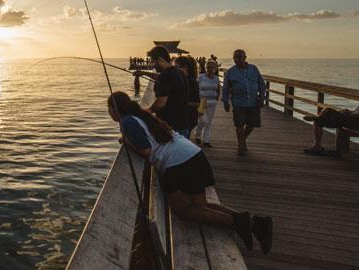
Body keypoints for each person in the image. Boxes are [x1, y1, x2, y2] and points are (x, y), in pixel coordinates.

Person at [108, 91, 273, 254]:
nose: (109, 112)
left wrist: (126, 141)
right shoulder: (141, 115)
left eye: (109, 108)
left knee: (184, 211)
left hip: (179, 164)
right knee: (201, 206)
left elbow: (146, 151)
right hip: (193, 155)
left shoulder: (128, 122)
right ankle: (254, 225)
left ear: (114, 109)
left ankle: (240, 223)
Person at [303, 76, 359, 155]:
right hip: (354, 119)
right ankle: (317, 145)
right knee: (321, 118)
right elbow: (358, 112)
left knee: (328, 111)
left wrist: (353, 114)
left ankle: (317, 119)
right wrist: (350, 112)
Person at [222, 49, 265, 156]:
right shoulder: (230, 72)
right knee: (239, 125)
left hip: (253, 101)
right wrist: (225, 101)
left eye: (239, 57)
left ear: (245, 57)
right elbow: (226, 88)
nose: (237, 60)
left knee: (252, 124)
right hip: (238, 103)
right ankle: (240, 146)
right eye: (235, 57)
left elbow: (261, 83)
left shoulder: (253, 69)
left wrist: (262, 97)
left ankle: (242, 140)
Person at [146, 46, 190, 137]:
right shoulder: (179, 73)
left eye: (153, 61)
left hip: (170, 127)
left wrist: (146, 112)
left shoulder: (165, 76)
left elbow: (160, 103)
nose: (152, 65)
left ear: (160, 59)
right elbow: (164, 79)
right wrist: (143, 73)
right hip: (183, 124)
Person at [195, 60, 221, 147]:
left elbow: (218, 89)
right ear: (206, 68)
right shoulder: (201, 77)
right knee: (202, 120)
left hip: (212, 101)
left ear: (215, 69)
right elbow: (196, 88)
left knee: (208, 122)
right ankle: (198, 135)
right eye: (208, 67)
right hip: (202, 101)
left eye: (212, 67)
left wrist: (217, 98)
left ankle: (206, 140)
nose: (210, 69)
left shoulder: (216, 78)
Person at [174, 56, 200, 139]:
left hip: (188, 119)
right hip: (183, 119)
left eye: (176, 67)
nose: (174, 70)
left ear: (185, 67)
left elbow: (197, 103)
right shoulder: (180, 79)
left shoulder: (192, 82)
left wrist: (182, 102)